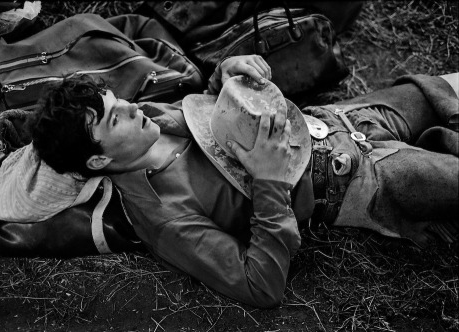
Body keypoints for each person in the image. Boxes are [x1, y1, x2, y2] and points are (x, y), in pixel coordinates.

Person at [25, 55, 458, 308]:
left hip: (337, 118)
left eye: (116, 98)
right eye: (113, 116)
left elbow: (208, 108)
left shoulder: (150, 120)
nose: (130, 106)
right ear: (100, 158)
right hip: (354, 180)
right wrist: (269, 179)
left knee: (444, 89)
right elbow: (260, 284)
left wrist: (226, 70)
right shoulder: (162, 216)